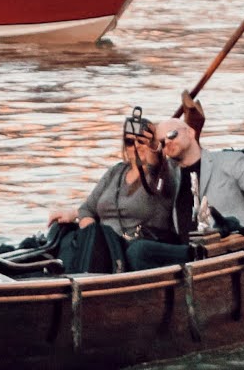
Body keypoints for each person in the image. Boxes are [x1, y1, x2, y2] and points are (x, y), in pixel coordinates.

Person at [122, 111, 244, 269]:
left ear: (191, 132)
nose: (168, 142)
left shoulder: (228, 161)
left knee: (139, 252)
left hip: (225, 248)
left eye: (172, 134)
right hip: (187, 252)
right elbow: (146, 183)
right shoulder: (169, 175)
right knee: (125, 245)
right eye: (162, 141)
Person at [47, 109, 175, 272]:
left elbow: (156, 165)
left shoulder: (162, 175)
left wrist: (155, 149)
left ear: (152, 145)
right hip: (100, 246)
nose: (135, 147)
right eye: (129, 142)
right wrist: (92, 236)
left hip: (131, 247)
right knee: (60, 230)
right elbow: (87, 209)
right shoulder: (116, 172)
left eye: (141, 141)